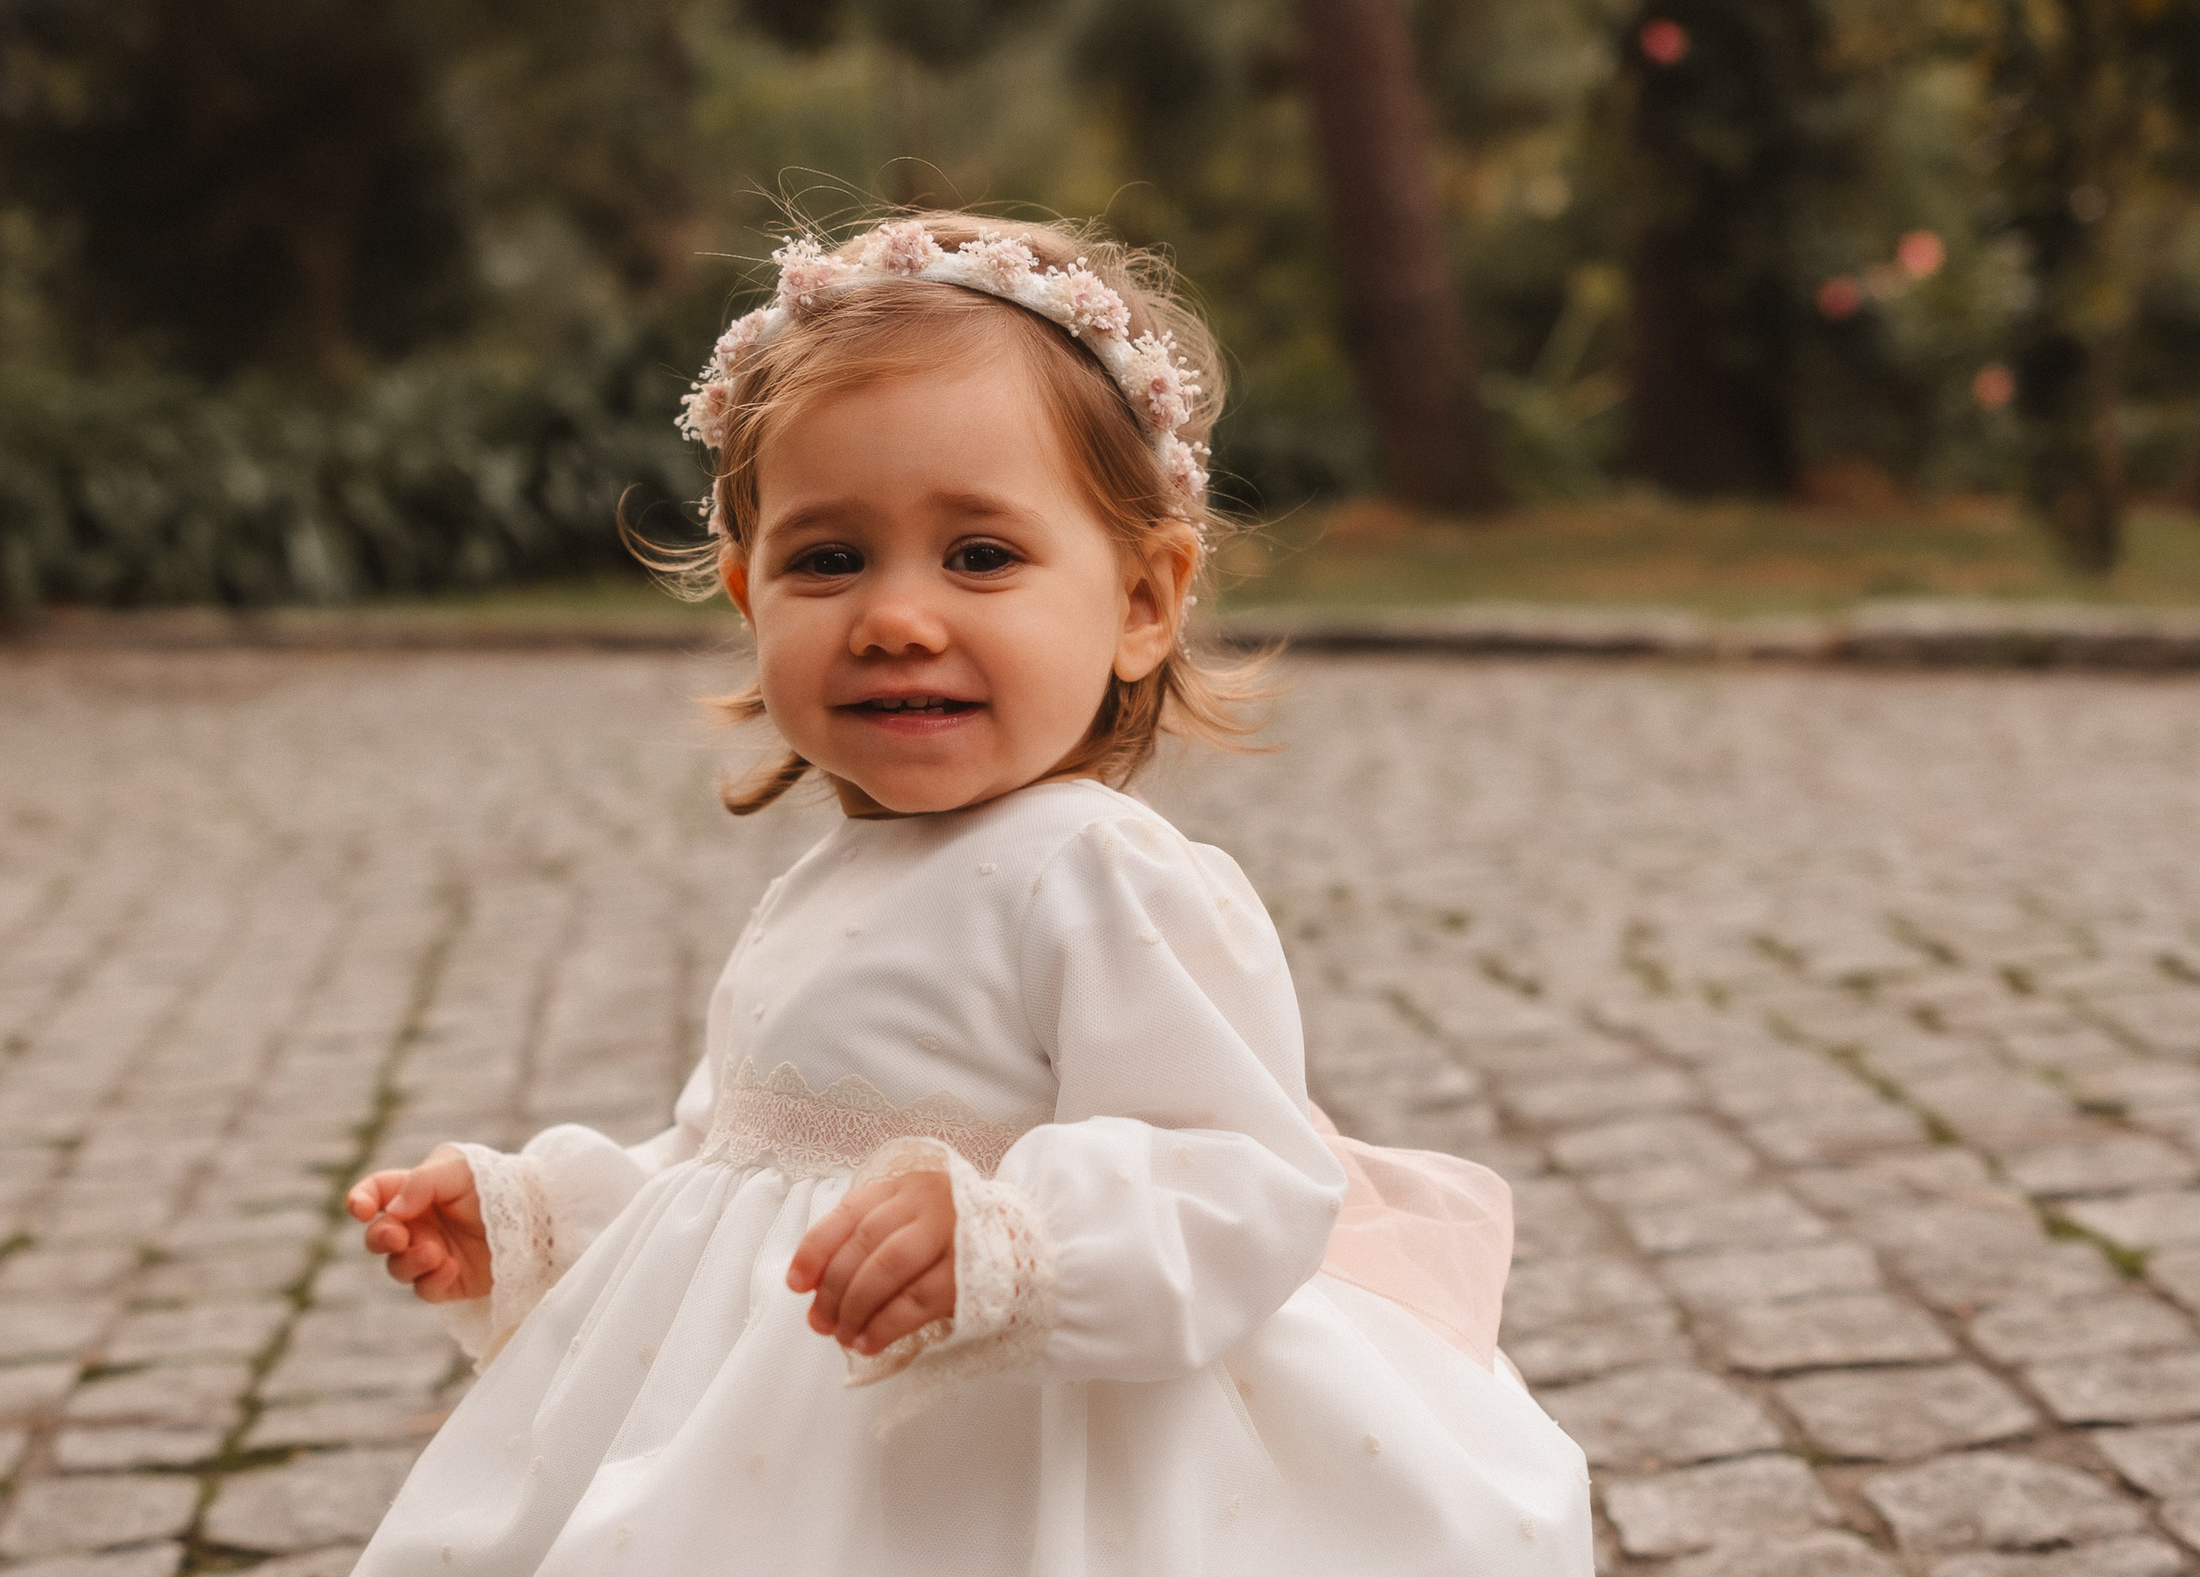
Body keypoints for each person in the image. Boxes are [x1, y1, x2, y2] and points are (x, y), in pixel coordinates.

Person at [343, 212, 1593, 1575]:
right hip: (793, 1438)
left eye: (981, 556)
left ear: (1143, 600)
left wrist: (1011, 1237)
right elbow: (734, 1166)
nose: (896, 618)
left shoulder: (1098, 873)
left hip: (1020, 1441)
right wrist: (541, 1222)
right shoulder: (823, 883)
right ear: (750, 597)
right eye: (829, 559)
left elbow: (1236, 1174)